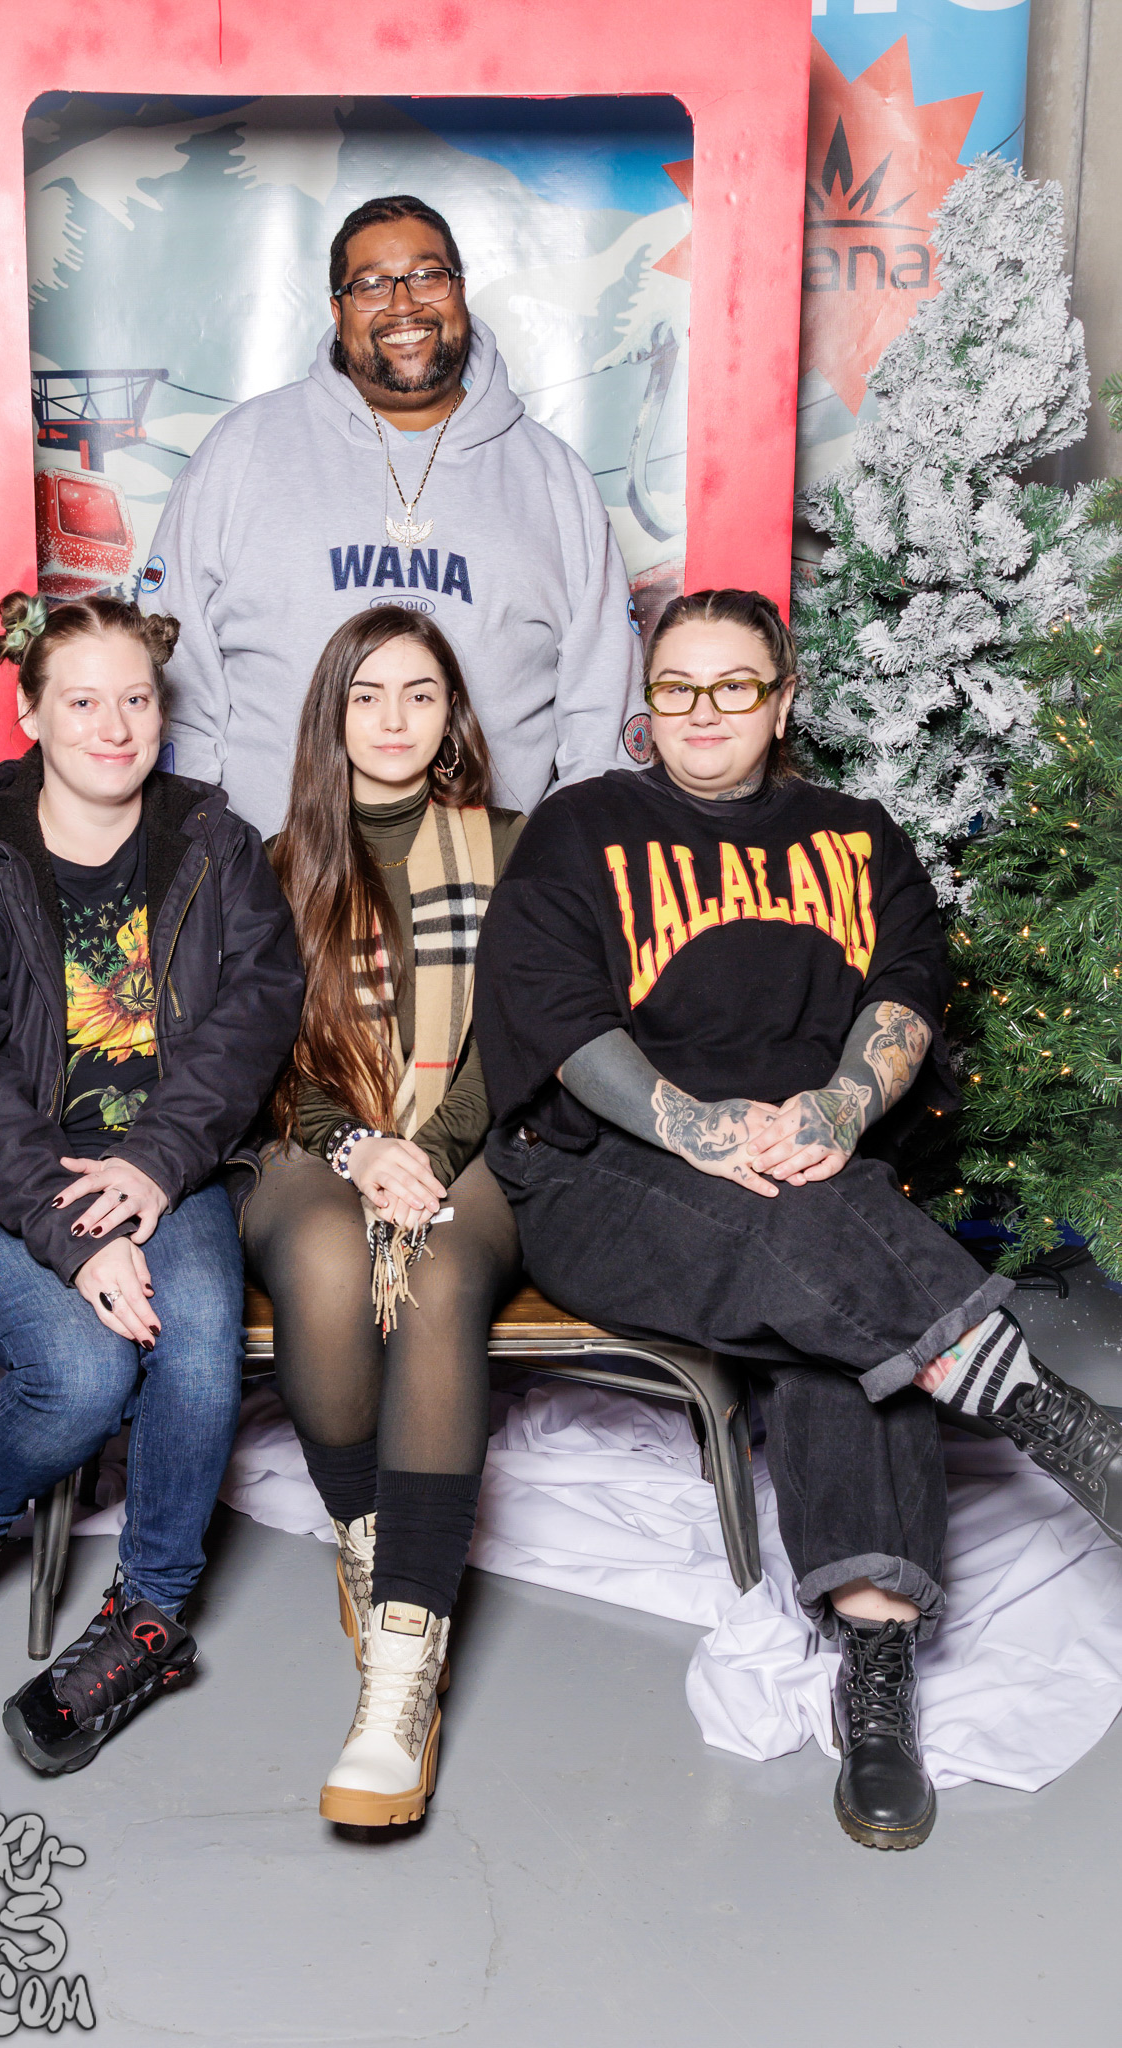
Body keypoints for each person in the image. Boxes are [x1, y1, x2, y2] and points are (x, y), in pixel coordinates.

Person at [475, 586, 1122, 1852]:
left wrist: (837, 1105)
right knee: (814, 1236)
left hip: (817, 1162)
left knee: (838, 1313)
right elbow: (558, 1014)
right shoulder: (581, 825)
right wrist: (702, 1127)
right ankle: (1063, 1422)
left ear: (783, 700)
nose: (702, 711)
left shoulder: (858, 835)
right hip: (606, 1174)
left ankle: (877, 1674)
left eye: (734, 685)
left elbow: (910, 986)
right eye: (676, 687)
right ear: (646, 702)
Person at [0, 591, 303, 1773]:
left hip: (168, 1158)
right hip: (2, 1172)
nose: (115, 726)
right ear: (31, 713)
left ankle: (149, 1613)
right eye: (83, 701)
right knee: (81, 1370)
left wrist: (158, 1163)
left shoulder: (214, 842)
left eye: (136, 699)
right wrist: (74, 1233)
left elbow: (256, 1015)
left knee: (196, 1342)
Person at [243, 604, 524, 1827]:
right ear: (333, 715)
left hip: (479, 1136)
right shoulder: (276, 866)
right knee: (319, 1251)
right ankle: (369, 1528)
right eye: (367, 695)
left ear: (452, 712)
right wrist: (358, 1148)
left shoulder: (514, 846)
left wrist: (429, 1154)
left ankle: (405, 1656)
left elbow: (523, 1033)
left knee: (442, 1269)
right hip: (320, 1132)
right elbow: (261, 1056)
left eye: (421, 692)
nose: (395, 719)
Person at [145, 192, 638, 838]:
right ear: (337, 310)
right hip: (267, 882)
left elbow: (603, 707)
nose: (403, 305)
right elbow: (173, 670)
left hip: (493, 886)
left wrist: (561, 871)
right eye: (372, 284)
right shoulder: (241, 451)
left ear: (460, 290)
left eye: (427, 276)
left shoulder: (553, 477)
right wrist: (202, 857)